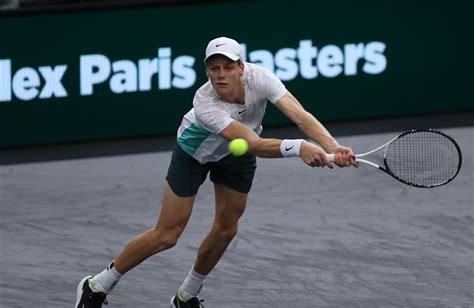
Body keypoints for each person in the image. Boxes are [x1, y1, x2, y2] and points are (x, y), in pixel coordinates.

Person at [75, 36, 358, 308]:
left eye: (228, 67)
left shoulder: (261, 78)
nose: (221, 74)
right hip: (194, 154)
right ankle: (97, 284)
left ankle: (186, 296)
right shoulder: (205, 104)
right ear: (207, 71)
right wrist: (299, 148)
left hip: (234, 156)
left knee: (226, 229)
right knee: (167, 234)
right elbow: (253, 143)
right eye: (214, 68)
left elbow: (300, 115)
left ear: (241, 68)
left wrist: (333, 146)